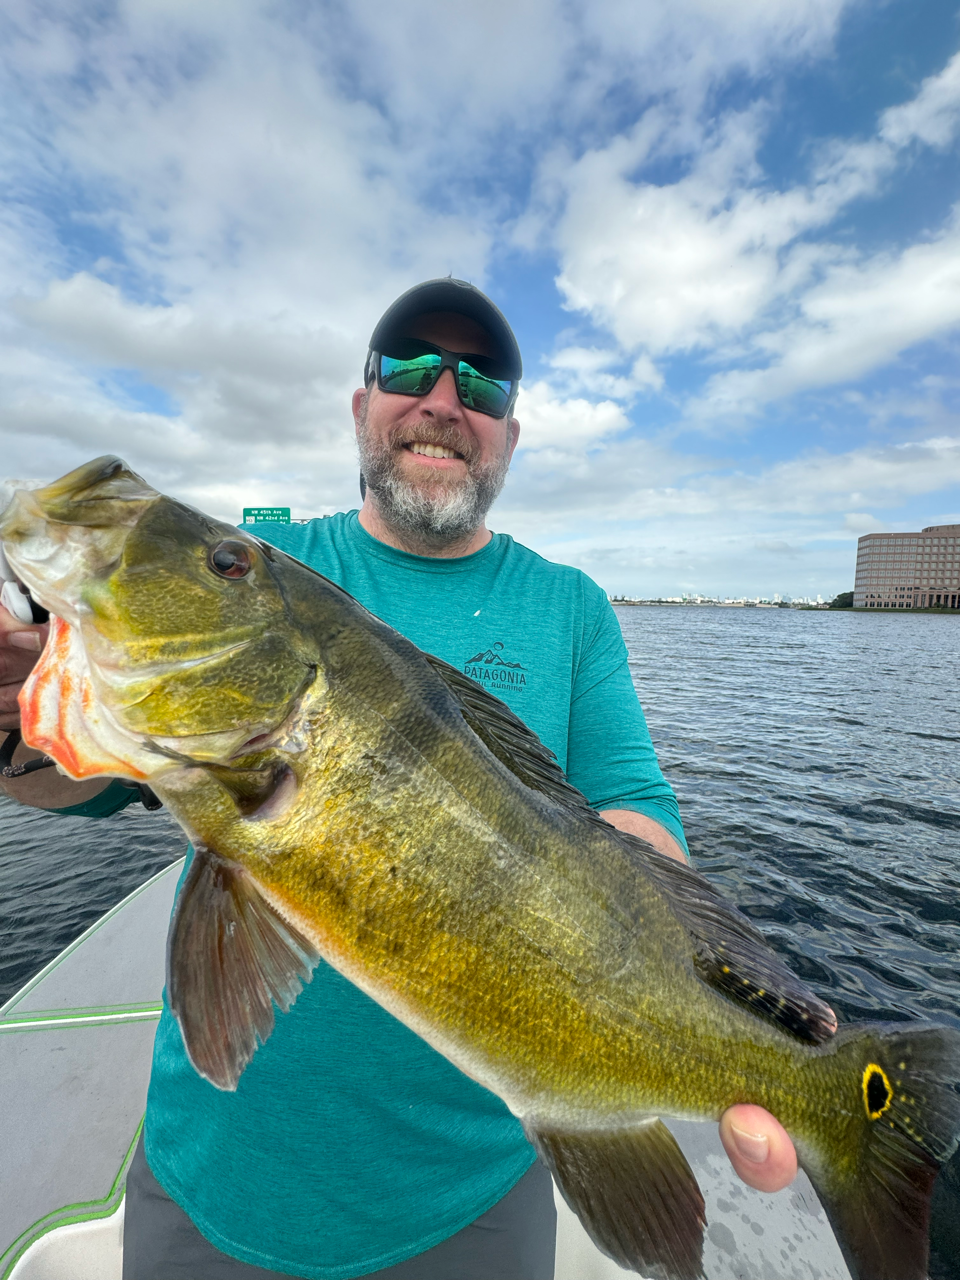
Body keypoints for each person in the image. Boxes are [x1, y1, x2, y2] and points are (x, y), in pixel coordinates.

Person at [0, 279, 798, 1280]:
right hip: (216, 1179)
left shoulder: (574, 606)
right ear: (361, 403)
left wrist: (737, 1010)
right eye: (410, 367)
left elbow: (636, 816)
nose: (442, 398)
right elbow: (90, 780)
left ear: (509, 431)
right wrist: (15, 730)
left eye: (482, 383)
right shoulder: (284, 560)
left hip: (476, 1193)